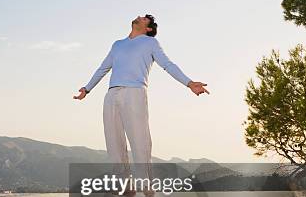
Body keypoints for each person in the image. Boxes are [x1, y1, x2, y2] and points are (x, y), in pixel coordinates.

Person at [73, 14, 209, 177]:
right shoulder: (117, 44)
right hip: (111, 94)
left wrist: (189, 83)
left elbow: (167, 64)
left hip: (135, 92)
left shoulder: (150, 42)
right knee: (113, 142)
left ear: (148, 28)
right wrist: (87, 89)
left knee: (139, 140)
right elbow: (103, 68)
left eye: (144, 19)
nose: (139, 17)